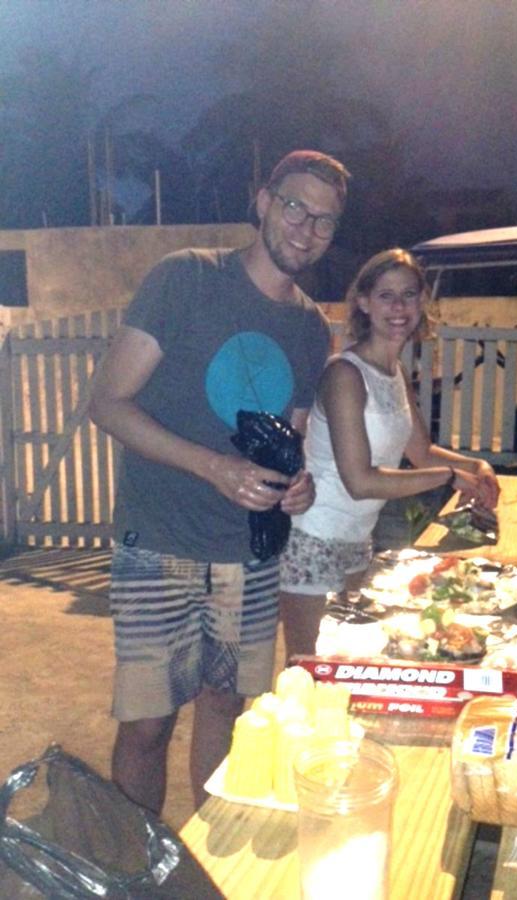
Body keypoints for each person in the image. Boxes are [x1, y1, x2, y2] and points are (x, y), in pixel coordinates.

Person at [88, 149, 350, 815]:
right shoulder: (186, 279)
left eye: (324, 220)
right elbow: (109, 402)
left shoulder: (309, 327)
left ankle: (205, 864)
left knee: (227, 710)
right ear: (261, 202)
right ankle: (139, 871)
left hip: (250, 553)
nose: (305, 227)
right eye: (294, 206)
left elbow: (285, 444)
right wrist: (211, 466)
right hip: (160, 545)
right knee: (148, 725)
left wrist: (300, 490)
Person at [279, 248, 499, 659]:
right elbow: (360, 480)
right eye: (385, 295)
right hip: (313, 539)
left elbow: (419, 451)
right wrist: (450, 478)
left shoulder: (394, 372)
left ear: (422, 302)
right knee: (308, 672)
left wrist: (476, 466)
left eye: (409, 294)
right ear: (363, 302)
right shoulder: (345, 374)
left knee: (354, 668)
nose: (399, 307)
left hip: (358, 540)